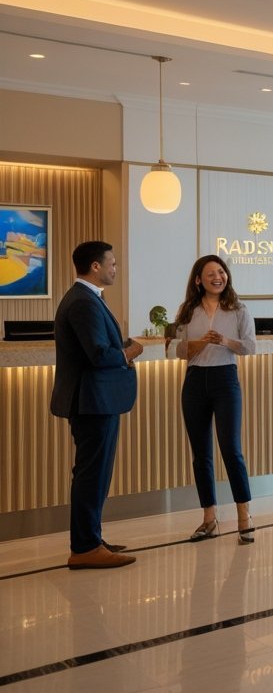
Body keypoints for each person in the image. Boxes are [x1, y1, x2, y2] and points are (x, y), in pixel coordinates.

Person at [50, 241, 142, 569]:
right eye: (112, 263)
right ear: (95, 266)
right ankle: (85, 546)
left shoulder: (89, 298)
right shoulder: (83, 302)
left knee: (96, 473)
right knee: (92, 474)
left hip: (97, 401)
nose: (116, 269)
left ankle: (91, 538)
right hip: (91, 402)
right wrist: (129, 352)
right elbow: (99, 355)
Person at [171, 254, 257, 544]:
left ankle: (244, 516)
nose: (218, 277)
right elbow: (176, 350)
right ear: (198, 280)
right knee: (201, 454)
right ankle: (209, 519)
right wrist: (199, 343)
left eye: (221, 272)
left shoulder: (238, 309)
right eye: (210, 274)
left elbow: (250, 347)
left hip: (225, 379)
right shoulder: (187, 310)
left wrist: (225, 341)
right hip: (195, 381)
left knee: (231, 449)